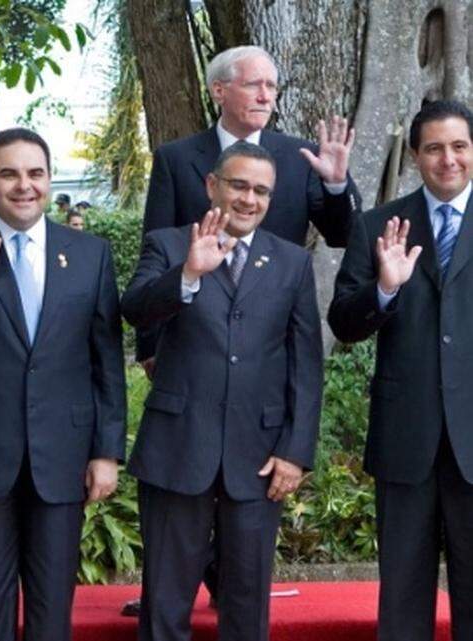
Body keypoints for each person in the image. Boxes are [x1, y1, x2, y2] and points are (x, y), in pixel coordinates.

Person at [125, 44, 360, 616]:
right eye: (254, 85)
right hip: (189, 384)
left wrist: (333, 187)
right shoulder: (179, 158)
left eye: (272, 88)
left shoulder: (297, 156)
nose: (265, 96)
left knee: (245, 596)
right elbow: (150, 265)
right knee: (168, 596)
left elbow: (340, 235)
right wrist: (156, 350)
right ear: (219, 91)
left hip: (258, 408)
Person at [0, 128, 127, 641]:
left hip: (62, 460)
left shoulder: (90, 254)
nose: (23, 185)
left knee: (51, 616)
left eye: (35, 173)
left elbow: (105, 360)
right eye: (8, 173)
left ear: (50, 179)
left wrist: (106, 452)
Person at [121, 142, 323, 641]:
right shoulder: (169, 245)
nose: (249, 199)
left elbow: (305, 364)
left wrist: (295, 452)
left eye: (261, 191)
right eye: (238, 185)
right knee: (165, 602)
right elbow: (135, 310)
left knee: (247, 603)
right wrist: (188, 274)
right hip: (177, 448)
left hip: (259, 458)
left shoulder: (292, 262)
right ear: (212, 186)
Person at [328, 99, 473, 641]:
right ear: (416, 156)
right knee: (403, 603)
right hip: (405, 440)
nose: (448, 159)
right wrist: (385, 289)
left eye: (459, 146)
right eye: (434, 148)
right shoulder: (378, 226)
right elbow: (343, 322)